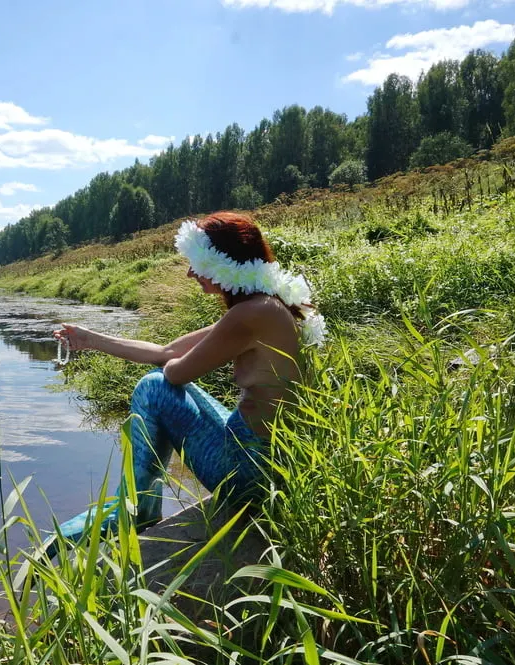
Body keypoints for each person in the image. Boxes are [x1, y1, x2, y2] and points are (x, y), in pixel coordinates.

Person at [48, 211, 325, 553]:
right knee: (158, 379)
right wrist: (91, 339)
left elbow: (175, 372)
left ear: (221, 261)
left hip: (247, 473)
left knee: (153, 386)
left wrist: (176, 364)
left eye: (196, 262)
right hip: (267, 459)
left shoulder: (251, 314)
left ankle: (137, 509)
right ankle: (141, 505)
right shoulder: (268, 306)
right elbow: (166, 350)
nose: (190, 272)